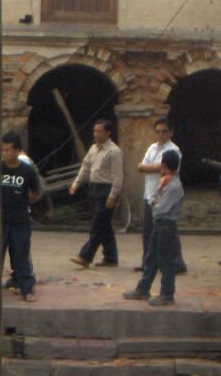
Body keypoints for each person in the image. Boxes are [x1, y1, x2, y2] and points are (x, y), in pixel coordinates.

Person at [0, 132, 40, 303]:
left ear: (17, 151)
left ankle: (26, 288)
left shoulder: (27, 171)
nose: (4, 154)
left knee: (21, 255)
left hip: (20, 220)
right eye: (2, 150)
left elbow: (35, 192)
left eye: (7, 150)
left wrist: (22, 202)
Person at [124, 150, 182, 307]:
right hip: (160, 223)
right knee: (151, 257)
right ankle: (143, 289)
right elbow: (157, 200)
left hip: (166, 224)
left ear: (167, 167)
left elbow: (161, 208)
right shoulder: (166, 182)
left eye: (162, 167)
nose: (161, 171)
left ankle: (167, 293)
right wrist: (155, 200)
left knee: (165, 260)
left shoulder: (174, 186)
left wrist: (153, 203)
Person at [69, 119, 124, 268]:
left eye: (100, 131)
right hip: (94, 188)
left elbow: (117, 177)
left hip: (106, 189)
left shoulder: (114, 151)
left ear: (108, 133)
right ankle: (111, 257)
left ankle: (85, 255)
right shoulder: (93, 148)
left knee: (97, 225)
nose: (96, 134)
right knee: (104, 224)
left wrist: (113, 195)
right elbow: (85, 167)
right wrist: (76, 183)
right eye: (95, 131)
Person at [136, 118, 186, 274]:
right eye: (158, 131)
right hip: (150, 192)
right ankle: (148, 262)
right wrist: (149, 167)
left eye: (164, 131)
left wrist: (147, 167)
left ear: (170, 132)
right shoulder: (152, 148)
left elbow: (161, 167)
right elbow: (142, 166)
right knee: (148, 230)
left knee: (167, 228)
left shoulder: (174, 150)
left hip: (165, 192)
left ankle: (176, 263)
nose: (160, 134)